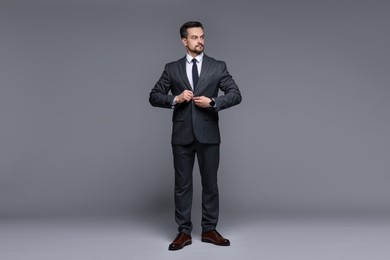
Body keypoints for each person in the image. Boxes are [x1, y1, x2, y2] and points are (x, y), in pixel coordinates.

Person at [149, 21, 242, 251]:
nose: (200, 41)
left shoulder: (217, 66)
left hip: (209, 133)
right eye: (194, 37)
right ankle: (183, 232)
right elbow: (153, 96)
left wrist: (213, 102)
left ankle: (209, 229)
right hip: (181, 135)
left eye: (202, 37)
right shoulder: (172, 68)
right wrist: (175, 99)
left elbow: (235, 94)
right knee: (182, 185)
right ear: (184, 41)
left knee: (210, 183)